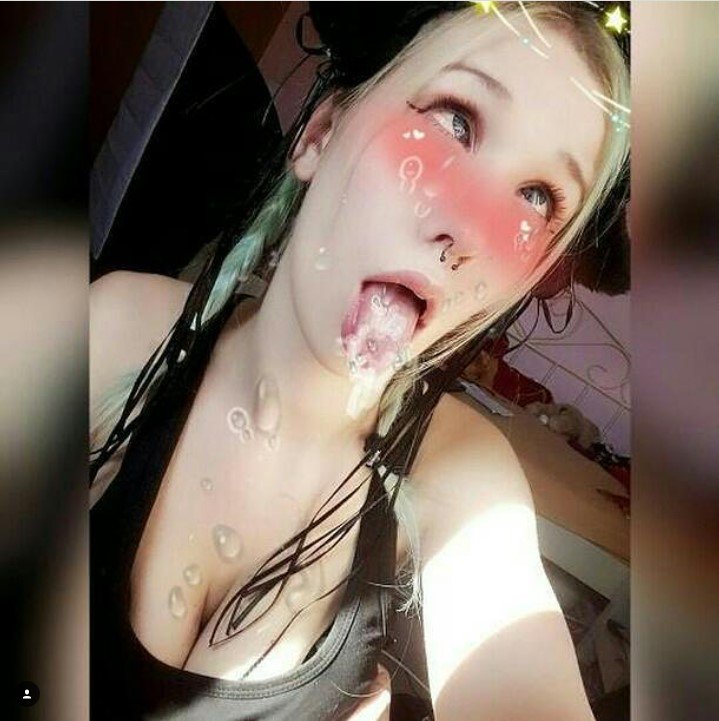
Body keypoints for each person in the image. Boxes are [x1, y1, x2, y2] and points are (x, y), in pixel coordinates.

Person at [90, 3, 629, 720]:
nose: (470, 230)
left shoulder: (466, 484)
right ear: (321, 132)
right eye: (455, 121)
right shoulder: (117, 333)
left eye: (536, 197)